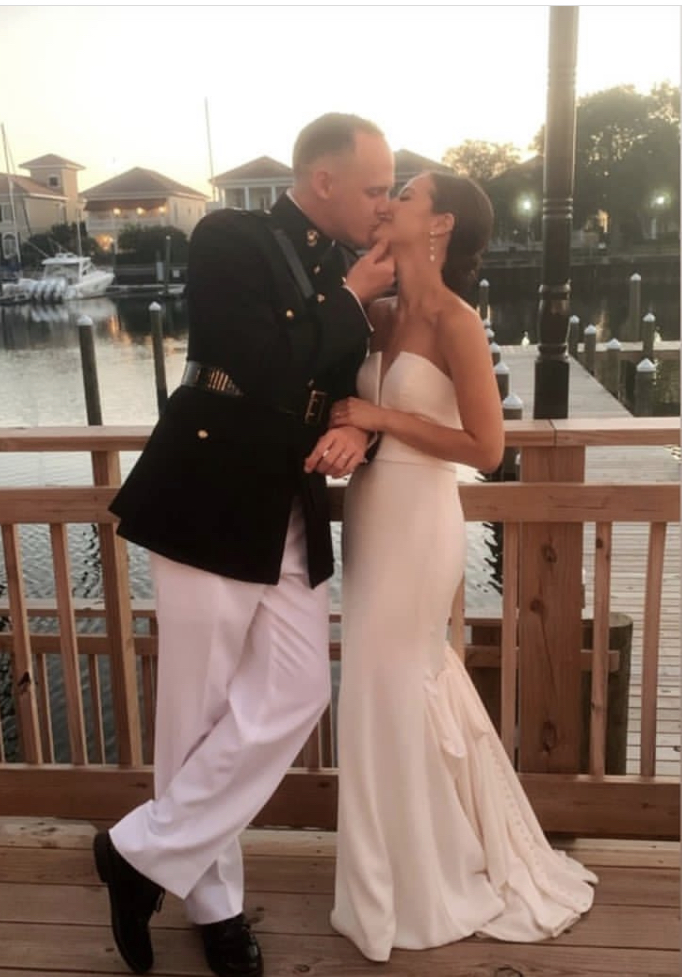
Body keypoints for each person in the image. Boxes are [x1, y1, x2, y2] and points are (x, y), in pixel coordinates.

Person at [93, 112, 395, 977]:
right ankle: (215, 906)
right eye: (373, 187)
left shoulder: (346, 271)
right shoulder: (231, 235)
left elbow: (336, 389)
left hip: (289, 501)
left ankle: (135, 854)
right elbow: (258, 361)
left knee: (298, 690)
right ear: (324, 179)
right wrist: (346, 304)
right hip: (208, 492)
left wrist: (362, 437)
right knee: (195, 711)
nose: (382, 203)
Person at [318, 171, 598, 962]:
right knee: (376, 690)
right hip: (372, 512)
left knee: (390, 680)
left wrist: (379, 415)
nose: (388, 202)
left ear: (439, 224)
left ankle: (427, 877)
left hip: (421, 516)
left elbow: (488, 447)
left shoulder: (456, 321)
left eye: (404, 193)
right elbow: (345, 408)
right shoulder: (372, 313)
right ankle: (393, 872)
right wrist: (352, 434)